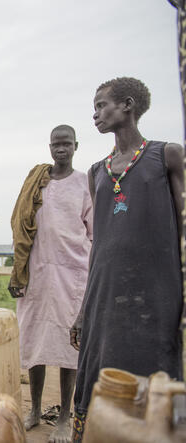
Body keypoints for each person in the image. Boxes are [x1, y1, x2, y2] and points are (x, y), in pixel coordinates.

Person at [70, 77, 184, 441]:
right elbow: (100, 242)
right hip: (105, 293)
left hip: (158, 291)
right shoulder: (97, 171)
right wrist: (83, 307)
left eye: (102, 105)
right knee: (101, 372)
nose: (95, 114)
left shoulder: (167, 155)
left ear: (128, 105)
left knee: (158, 372)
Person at [11, 125, 93, 443]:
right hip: (36, 272)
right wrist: (18, 272)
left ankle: (62, 419)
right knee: (35, 343)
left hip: (73, 275)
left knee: (68, 345)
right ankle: (33, 411)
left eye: (67, 144)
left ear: (76, 146)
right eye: (56, 144)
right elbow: (20, 225)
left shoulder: (85, 183)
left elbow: (93, 231)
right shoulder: (37, 182)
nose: (61, 149)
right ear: (49, 148)